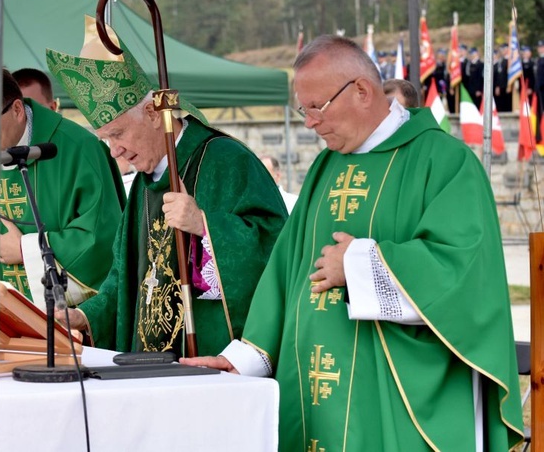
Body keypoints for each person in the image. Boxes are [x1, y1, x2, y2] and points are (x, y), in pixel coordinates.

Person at [182, 35, 523, 451]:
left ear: (361, 90)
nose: (309, 122)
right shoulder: (326, 165)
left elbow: (463, 273)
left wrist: (360, 265)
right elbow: (286, 270)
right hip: (312, 389)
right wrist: (246, 359)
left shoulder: (444, 161)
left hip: (392, 396)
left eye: (316, 107)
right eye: (301, 109)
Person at [46, 16, 288, 356]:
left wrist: (205, 226)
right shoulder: (143, 185)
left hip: (211, 358)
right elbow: (125, 276)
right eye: (106, 139)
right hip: (149, 363)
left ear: (150, 112)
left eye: (117, 134)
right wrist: (85, 316)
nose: (114, 151)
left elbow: (277, 249)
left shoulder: (226, 160)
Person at [0, 67, 123, 309]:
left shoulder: (80, 148)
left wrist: (27, 249)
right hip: (1, 317)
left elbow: (102, 238)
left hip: (68, 319)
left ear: (17, 109)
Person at [13, 67, 127, 209]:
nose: (27, 117)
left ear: (53, 107)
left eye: (34, 108)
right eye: (21, 110)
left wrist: (31, 233)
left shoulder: (82, 148)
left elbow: (101, 221)